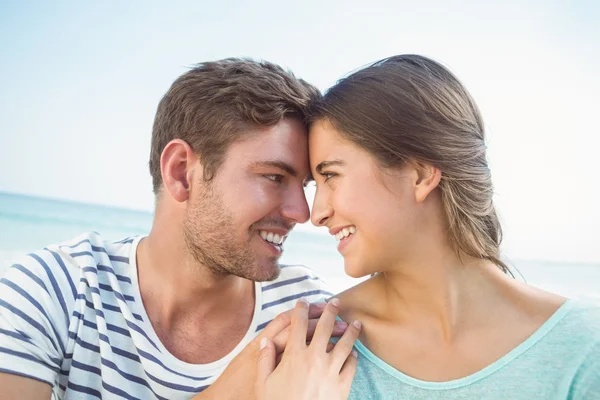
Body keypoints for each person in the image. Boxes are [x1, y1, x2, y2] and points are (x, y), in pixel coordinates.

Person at [0, 58, 361, 399]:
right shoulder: (56, 290)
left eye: (305, 185)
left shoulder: (305, 313)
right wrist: (231, 389)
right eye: (273, 177)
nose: (301, 212)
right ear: (180, 172)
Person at [257, 54, 600, 399]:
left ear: (420, 174)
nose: (316, 214)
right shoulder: (313, 351)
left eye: (331, 175)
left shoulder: (583, 349)